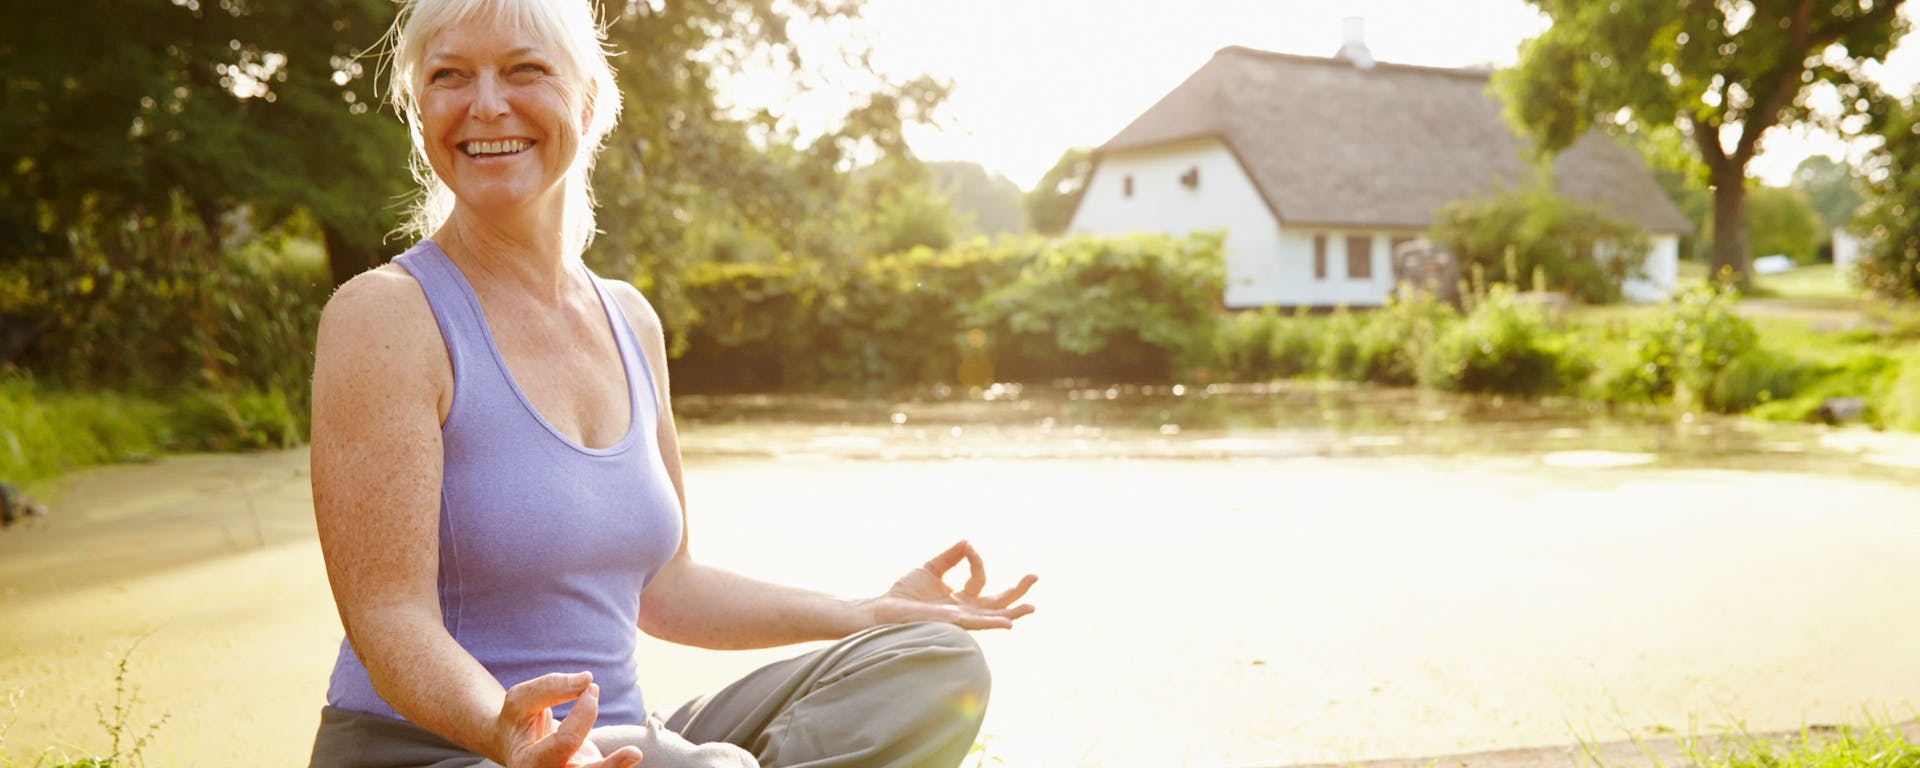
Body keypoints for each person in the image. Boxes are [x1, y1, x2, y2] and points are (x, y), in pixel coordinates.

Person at [303, 1, 1037, 766]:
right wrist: (514, 731)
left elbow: (668, 585)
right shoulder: (385, 316)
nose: (485, 104)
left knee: (930, 660)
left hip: (622, 742)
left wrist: (864, 613)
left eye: (524, 70)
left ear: (587, 102)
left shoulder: (630, 320)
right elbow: (389, 617)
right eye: (449, 76)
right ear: (420, 106)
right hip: (436, 748)